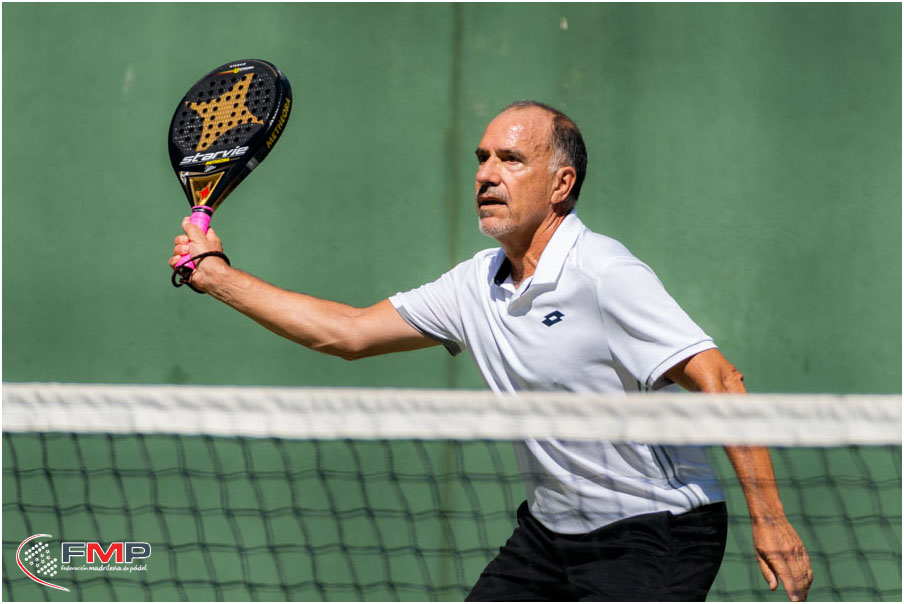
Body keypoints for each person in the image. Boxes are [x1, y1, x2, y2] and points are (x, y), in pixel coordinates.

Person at [169, 100, 813, 601]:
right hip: (551, 532)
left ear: (561, 184)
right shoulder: (473, 285)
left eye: (511, 159)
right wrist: (218, 276)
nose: (485, 174)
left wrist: (771, 521)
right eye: (482, 158)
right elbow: (348, 332)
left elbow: (721, 380)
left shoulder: (604, 272)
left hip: (653, 532)